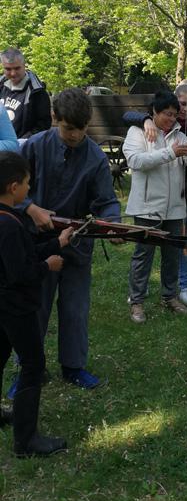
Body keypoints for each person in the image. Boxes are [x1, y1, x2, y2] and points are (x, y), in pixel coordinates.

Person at [9, 88, 121, 394]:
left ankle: (73, 367)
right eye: (69, 128)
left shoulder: (95, 157)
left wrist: (113, 224)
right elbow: (9, 188)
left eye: (82, 128)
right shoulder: (34, 146)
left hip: (76, 243)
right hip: (36, 244)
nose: (76, 135)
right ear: (54, 118)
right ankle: (29, 370)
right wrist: (30, 208)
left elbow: (106, 201)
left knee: (75, 308)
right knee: (35, 308)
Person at [0, 151, 73, 456]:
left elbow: (22, 253)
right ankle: (26, 440)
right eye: (27, 183)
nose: (29, 188)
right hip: (17, 307)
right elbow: (22, 272)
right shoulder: (10, 225)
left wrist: (57, 242)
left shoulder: (7, 219)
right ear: (14, 187)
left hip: (2, 306)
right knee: (32, 364)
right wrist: (49, 265)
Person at [123, 83, 187, 307]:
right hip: (147, 206)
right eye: (167, 114)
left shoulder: (180, 136)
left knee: (172, 254)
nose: (171, 119)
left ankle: (169, 297)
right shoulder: (137, 132)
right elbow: (136, 161)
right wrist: (170, 153)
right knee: (143, 254)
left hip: (175, 206)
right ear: (154, 112)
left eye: (175, 115)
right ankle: (136, 301)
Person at [0, 48, 51, 140]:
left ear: (24, 65)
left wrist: (22, 142)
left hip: (22, 145)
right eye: (8, 69)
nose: (13, 73)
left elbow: (43, 125)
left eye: (17, 68)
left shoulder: (37, 92)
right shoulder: (1, 86)